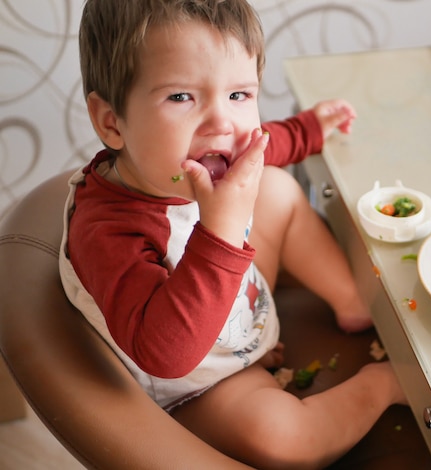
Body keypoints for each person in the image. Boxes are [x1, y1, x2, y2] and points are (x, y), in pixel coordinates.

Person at [59, 0, 407, 467]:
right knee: (283, 439)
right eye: (182, 97)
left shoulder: (207, 148)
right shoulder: (107, 230)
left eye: (239, 95)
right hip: (198, 382)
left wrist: (309, 130)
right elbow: (166, 354)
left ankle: (351, 300)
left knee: (276, 187)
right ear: (111, 121)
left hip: (235, 310)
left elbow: (264, 144)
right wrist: (221, 229)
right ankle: (380, 386)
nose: (222, 124)